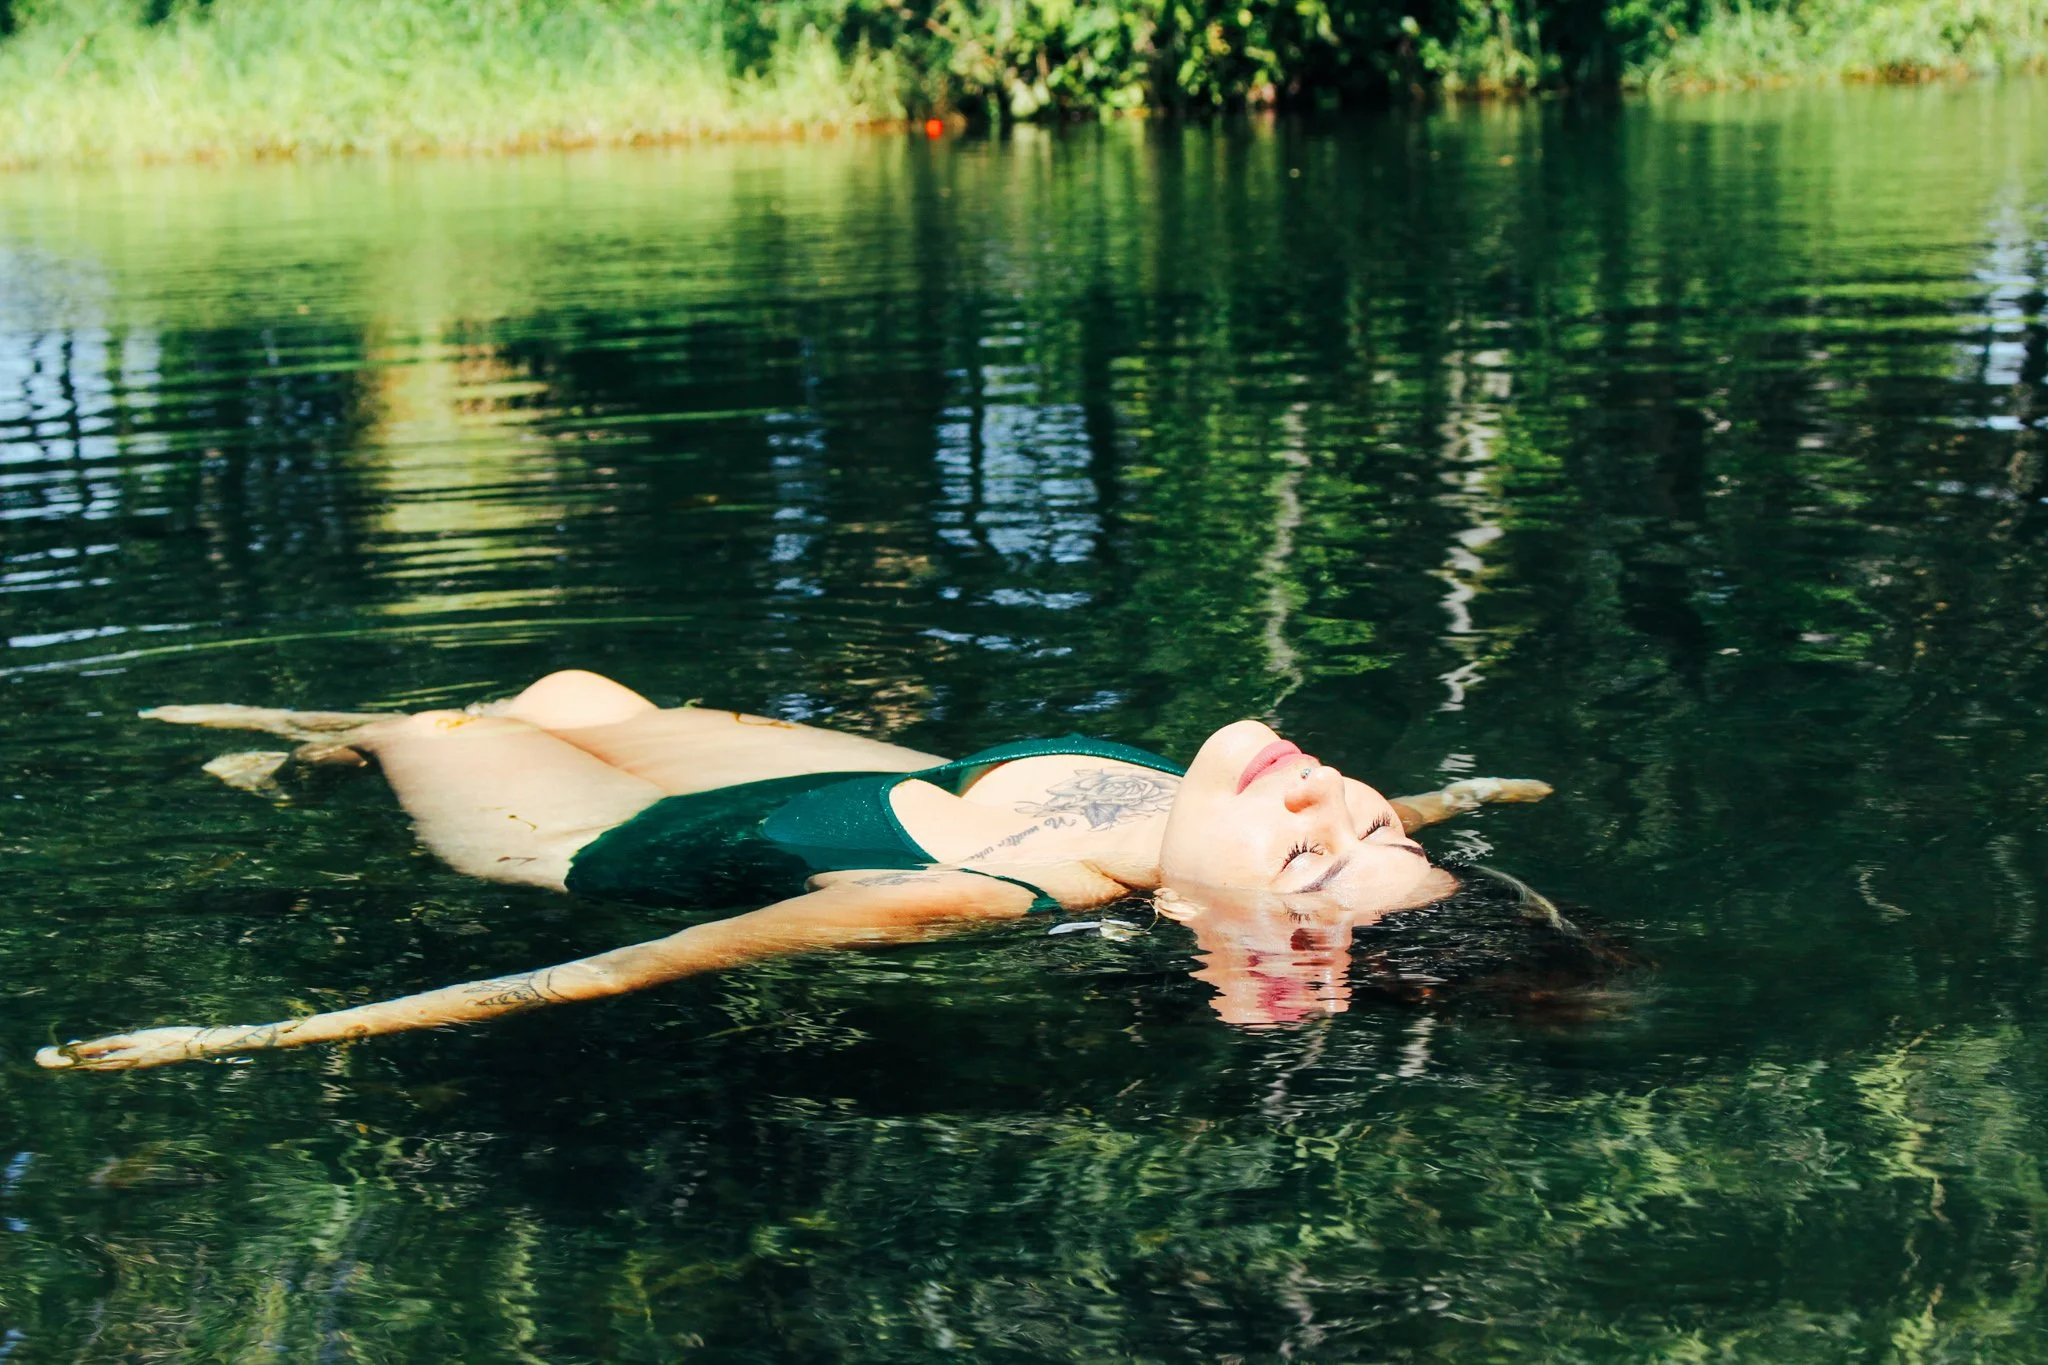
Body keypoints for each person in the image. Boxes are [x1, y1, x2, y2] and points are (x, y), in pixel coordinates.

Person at [35, 670, 1552, 1071]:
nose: (1333, 798)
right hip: (832, 784)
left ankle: (303, 752)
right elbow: (1334, 847)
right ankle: (317, 735)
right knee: (574, 693)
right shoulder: (1226, 825)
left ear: (1231, 946)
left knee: (435, 730)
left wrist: (253, 1035)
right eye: (1386, 826)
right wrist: (1445, 807)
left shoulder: (969, 901)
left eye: (1317, 847)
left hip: (601, 851)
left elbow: (606, 973)